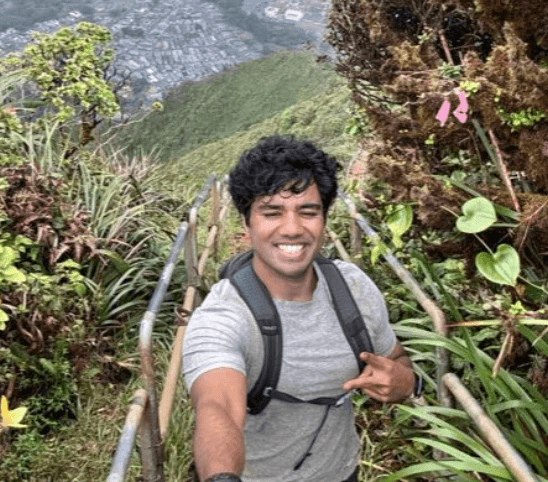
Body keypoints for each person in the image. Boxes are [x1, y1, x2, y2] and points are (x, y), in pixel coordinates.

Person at [182, 135, 416, 482]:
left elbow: (396, 359)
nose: (292, 229)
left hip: (342, 473)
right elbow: (219, 406)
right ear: (246, 224)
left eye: (308, 212)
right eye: (272, 213)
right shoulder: (223, 316)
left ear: (324, 220)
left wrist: (404, 382)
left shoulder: (353, 289)